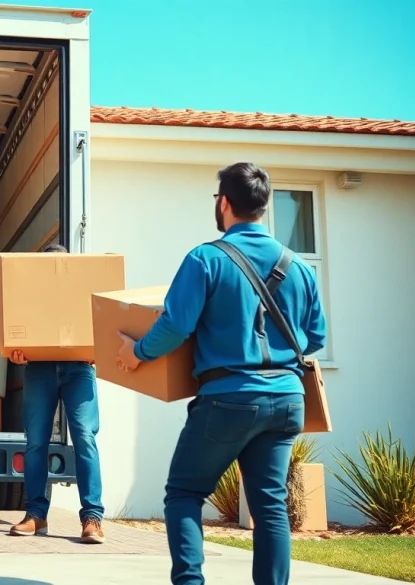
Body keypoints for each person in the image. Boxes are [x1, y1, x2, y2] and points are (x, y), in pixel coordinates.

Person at [115, 162, 326, 585]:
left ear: (224, 203)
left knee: (184, 493)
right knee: (270, 506)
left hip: (228, 398)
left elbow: (176, 324)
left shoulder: (206, 258)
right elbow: (316, 337)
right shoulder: (300, 267)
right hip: (287, 401)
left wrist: (137, 352)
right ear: (263, 207)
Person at [6, 243, 106, 544]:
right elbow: (11, 329)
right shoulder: (29, 298)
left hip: (80, 369)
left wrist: (99, 347)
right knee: (35, 442)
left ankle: (93, 518)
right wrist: (15, 351)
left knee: (85, 438)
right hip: (39, 369)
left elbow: (106, 324)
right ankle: (36, 515)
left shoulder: (85, 293)